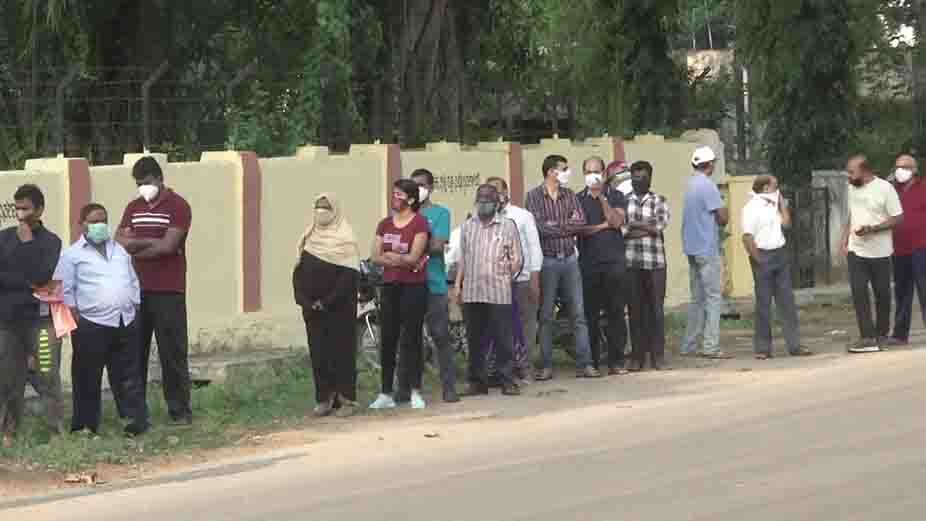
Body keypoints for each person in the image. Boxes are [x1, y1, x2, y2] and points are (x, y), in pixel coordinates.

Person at [55, 203, 150, 436]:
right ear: (82, 224)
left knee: (128, 376)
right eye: (94, 221)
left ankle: (134, 422)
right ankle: (85, 426)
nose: (100, 226)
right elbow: (63, 291)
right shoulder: (71, 255)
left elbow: (133, 280)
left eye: (104, 220)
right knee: (87, 377)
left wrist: (134, 306)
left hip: (124, 321)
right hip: (91, 325)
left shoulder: (120, 251)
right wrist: (75, 321)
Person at [117, 156, 193, 426]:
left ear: (159, 179)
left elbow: (168, 247)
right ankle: (136, 415)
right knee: (134, 354)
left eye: (146, 183)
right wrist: (151, 242)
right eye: (138, 184)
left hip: (168, 290)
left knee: (172, 353)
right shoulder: (133, 207)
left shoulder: (178, 206)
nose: (142, 188)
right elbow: (120, 240)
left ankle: (180, 411)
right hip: (137, 291)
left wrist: (137, 244)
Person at [526, 155, 600, 379]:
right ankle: (546, 365)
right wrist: (565, 227)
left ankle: (584, 364)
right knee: (547, 315)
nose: (568, 172)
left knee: (578, 314)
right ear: (551, 172)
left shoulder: (569, 195)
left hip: (569, 259)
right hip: (547, 261)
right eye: (564, 168)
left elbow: (580, 222)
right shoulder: (534, 196)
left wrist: (556, 226)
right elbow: (538, 228)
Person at [0, 184, 62, 448]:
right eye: (17, 208)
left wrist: (26, 244)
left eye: (26, 208)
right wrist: (26, 282)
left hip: (41, 323)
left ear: (39, 209)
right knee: (8, 379)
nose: (21, 214)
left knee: (48, 374)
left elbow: (41, 275)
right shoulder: (3, 238)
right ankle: (9, 432)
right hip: (8, 323)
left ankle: (56, 433)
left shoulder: (51, 242)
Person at [453, 184, 524, 396]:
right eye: (481, 200)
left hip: (499, 291)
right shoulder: (467, 227)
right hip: (473, 291)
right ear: (476, 202)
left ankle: (507, 380)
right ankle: (477, 382)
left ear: (496, 203)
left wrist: (507, 274)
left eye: (488, 200)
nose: (484, 204)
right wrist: (458, 285)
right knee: (475, 339)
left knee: (503, 338)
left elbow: (517, 258)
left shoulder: (507, 226)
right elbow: (463, 259)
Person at [293, 194, 360, 418]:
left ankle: (347, 399)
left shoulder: (346, 240)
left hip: (339, 309)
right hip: (312, 310)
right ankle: (324, 399)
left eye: (326, 208)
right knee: (319, 354)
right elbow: (298, 272)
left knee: (341, 352)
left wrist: (327, 301)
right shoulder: (308, 237)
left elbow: (348, 277)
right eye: (318, 207)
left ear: (336, 211)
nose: (321, 212)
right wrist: (305, 300)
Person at [369, 179, 430, 409]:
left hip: (414, 287)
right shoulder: (384, 224)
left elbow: (415, 257)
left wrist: (394, 257)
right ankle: (385, 392)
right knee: (388, 339)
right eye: (393, 194)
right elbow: (375, 255)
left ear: (411, 200)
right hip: (390, 286)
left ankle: (415, 391)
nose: (394, 198)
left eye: (399, 195)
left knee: (412, 339)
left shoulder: (420, 223)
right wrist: (400, 259)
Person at [741, 176, 812, 359]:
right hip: (762, 255)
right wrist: (758, 259)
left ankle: (794, 345)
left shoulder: (773, 206)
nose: (778, 189)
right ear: (765, 188)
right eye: (775, 187)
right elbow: (747, 237)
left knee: (787, 302)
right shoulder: (751, 208)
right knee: (764, 304)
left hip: (779, 253)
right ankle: (763, 348)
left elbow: (786, 223)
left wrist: (781, 203)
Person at [841, 155, 904, 353]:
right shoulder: (851, 188)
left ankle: (881, 335)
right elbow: (851, 215)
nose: (849, 176)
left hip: (881, 251)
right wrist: (844, 240)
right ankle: (866, 337)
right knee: (859, 293)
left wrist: (874, 229)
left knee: (882, 295)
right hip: (856, 250)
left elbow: (898, 217)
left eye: (852, 172)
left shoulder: (885, 188)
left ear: (865, 171)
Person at [486, 176, 542, 385]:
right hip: (495, 281)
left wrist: (535, 277)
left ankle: (525, 368)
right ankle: (503, 368)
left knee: (525, 323)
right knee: (500, 325)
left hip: (522, 278)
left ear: (506, 192)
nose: (493, 195)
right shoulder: (484, 217)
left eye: (497, 191)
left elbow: (534, 248)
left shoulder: (522, 216)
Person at [577, 157, 629, 375]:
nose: (593, 176)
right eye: (588, 172)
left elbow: (617, 222)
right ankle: (593, 362)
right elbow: (579, 230)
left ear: (605, 174)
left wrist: (602, 200)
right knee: (590, 315)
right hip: (588, 263)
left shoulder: (616, 196)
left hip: (614, 262)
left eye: (597, 171)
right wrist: (602, 226)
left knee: (616, 312)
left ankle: (617, 361)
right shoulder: (576, 199)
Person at [410, 169, 458, 403]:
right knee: (409, 338)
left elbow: (439, 245)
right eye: (413, 185)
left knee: (440, 336)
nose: (417, 189)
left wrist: (411, 245)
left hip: (434, 284)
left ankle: (449, 387)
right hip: (408, 284)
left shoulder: (441, 213)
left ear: (430, 187)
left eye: (421, 185)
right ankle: (407, 389)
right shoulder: (403, 214)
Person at [680, 146, 732, 359]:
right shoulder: (708, 186)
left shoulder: (690, 184)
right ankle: (710, 346)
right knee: (713, 298)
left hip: (691, 248)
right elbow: (722, 217)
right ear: (710, 165)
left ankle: (689, 345)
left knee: (697, 299)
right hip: (706, 248)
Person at [624, 162, 671, 371]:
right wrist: (647, 228)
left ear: (650, 178)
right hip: (631, 263)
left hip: (656, 264)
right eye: (635, 177)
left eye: (642, 177)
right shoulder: (623, 202)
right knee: (635, 311)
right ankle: (637, 357)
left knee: (656, 310)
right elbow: (622, 231)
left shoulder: (659, 200)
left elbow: (659, 226)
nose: (638, 181)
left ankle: (658, 356)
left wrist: (635, 225)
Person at [888, 154, 926, 346]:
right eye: (897, 167)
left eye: (904, 167)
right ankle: (900, 334)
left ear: (914, 170)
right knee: (902, 292)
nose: (899, 170)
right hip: (899, 249)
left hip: (921, 247)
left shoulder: (923, 187)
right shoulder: (892, 191)